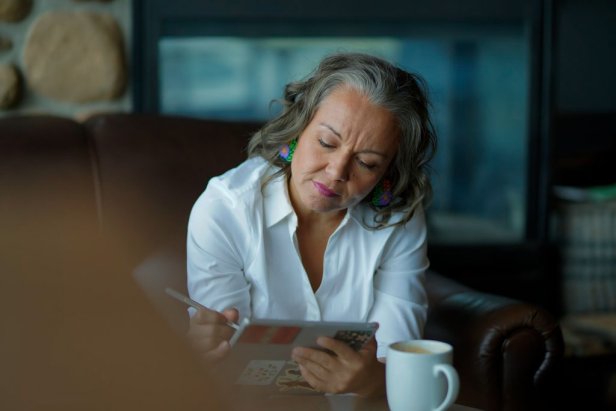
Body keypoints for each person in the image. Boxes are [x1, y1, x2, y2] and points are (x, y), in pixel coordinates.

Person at [185, 52, 436, 397]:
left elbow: (398, 357)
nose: (336, 173)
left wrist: (373, 380)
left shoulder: (398, 216)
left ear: (388, 173)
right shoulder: (225, 210)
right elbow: (233, 360)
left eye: (366, 163)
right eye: (326, 143)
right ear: (300, 125)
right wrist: (207, 352)